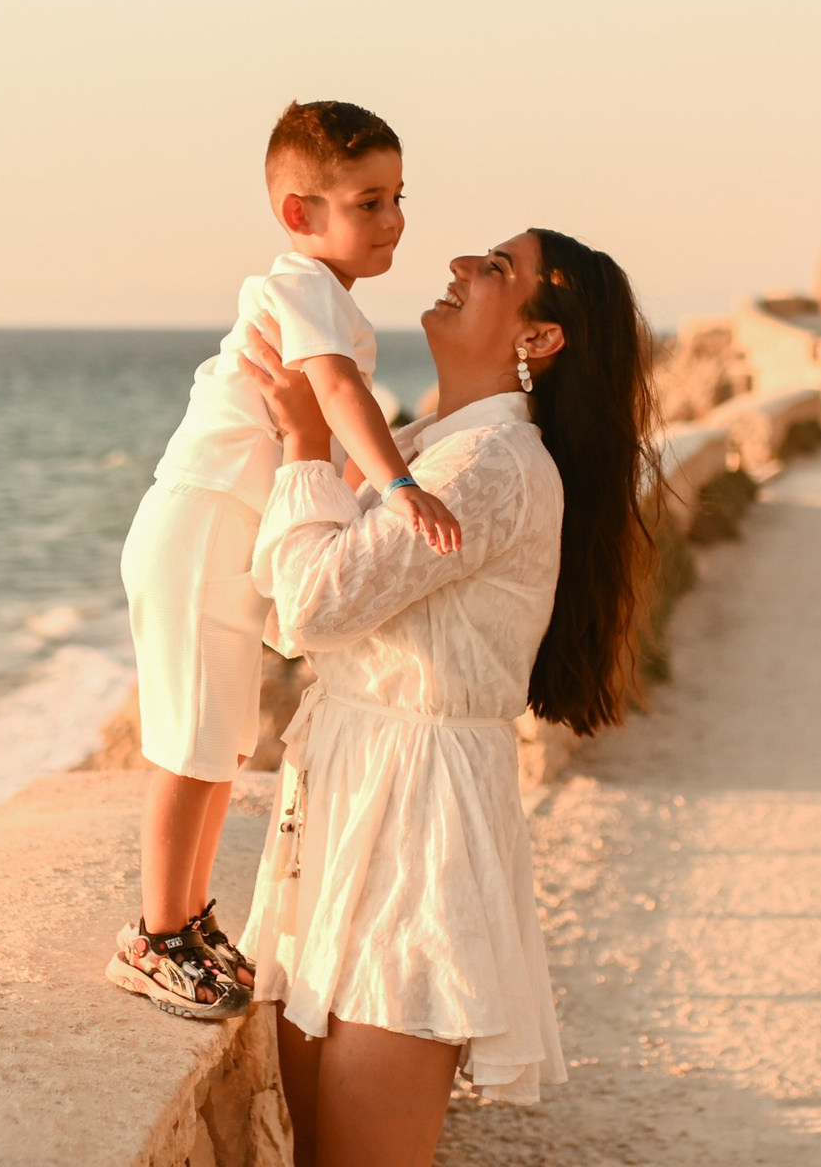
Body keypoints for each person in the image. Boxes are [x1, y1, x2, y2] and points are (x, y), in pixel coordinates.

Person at [238, 228, 654, 1167]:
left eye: (498, 269)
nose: (461, 263)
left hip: (416, 811)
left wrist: (306, 443)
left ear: (540, 340)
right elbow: (293, 610)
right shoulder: (428, 449)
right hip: (351, 788)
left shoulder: (491, 466)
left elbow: (308, 603)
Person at [107, 100, 462, 1022]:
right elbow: (337, 396)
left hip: (230, 538)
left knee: (221, 743)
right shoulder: (296, 284)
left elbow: (328, 440)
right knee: (189, 746)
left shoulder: (335, 304)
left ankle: (186, 922)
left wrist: (357, 506)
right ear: (300, 214)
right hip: (200, 528)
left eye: (398, 199)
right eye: (369, 202)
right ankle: (153, 937)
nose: (394, 221)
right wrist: (397, 487)